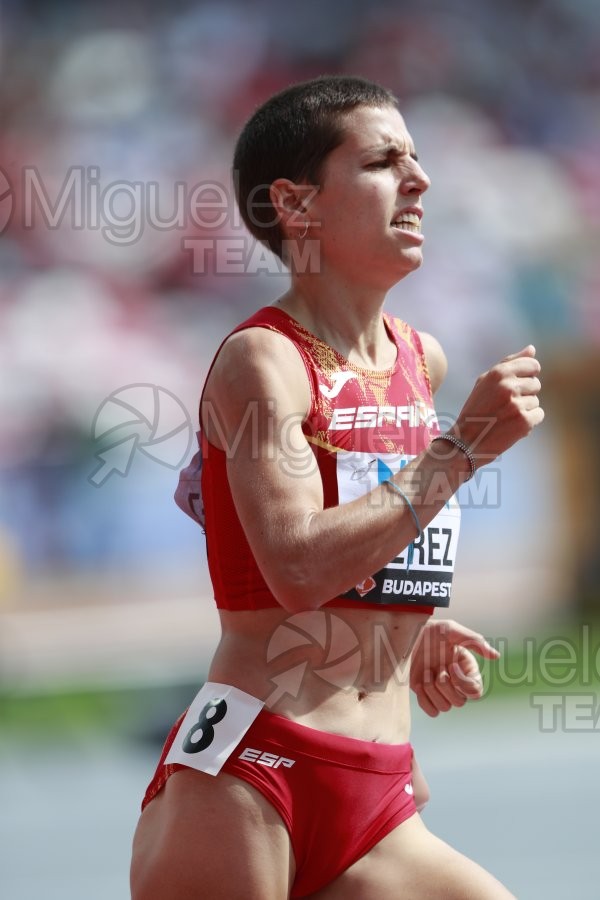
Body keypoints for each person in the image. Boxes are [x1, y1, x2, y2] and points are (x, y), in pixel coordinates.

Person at [130, 75, 543, 899]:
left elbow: (352, 549)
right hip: (253, 773)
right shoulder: (263, 360)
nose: (419, 180)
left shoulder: (421, 359)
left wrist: (395, 630)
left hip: (380, 786)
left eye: (417, 159)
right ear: (297, 204)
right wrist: (462, 449)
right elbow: (295, 567)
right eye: (385, 161)